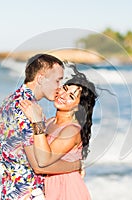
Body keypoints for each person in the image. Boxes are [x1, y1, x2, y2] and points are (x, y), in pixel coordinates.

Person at [0, 54, 82, 200]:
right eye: (57, 80)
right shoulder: (28, 109)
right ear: (41, 78)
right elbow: (39, 165)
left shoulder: (10, 100)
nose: (59, 87)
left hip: (10, 190)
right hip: (28, 194)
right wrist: (76, 165)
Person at [20, 65, 97, 200]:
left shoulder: (71, 130)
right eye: (65, 89)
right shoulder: (50, 122)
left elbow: (42, 163)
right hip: (51, 188)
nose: (63, 95)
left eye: (71, 96)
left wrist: (37, 121)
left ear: (77, 108)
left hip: (68, 190)